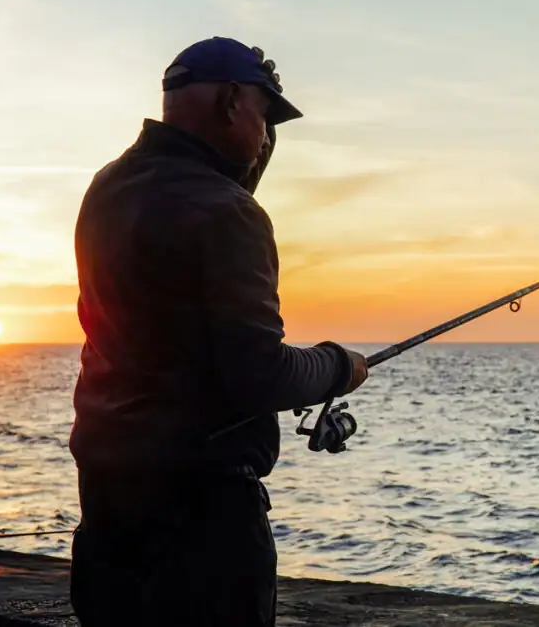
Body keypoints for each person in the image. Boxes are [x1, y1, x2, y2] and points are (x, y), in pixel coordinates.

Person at [68, 36, 369, 626]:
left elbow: (203, 217)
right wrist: (339, 364)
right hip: (202, 526)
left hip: (108, 500)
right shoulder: (230, 214)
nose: (265, 136)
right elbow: (261, 374)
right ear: (232, 101)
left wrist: (258, 139)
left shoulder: (108, 187)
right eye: (264, 116)